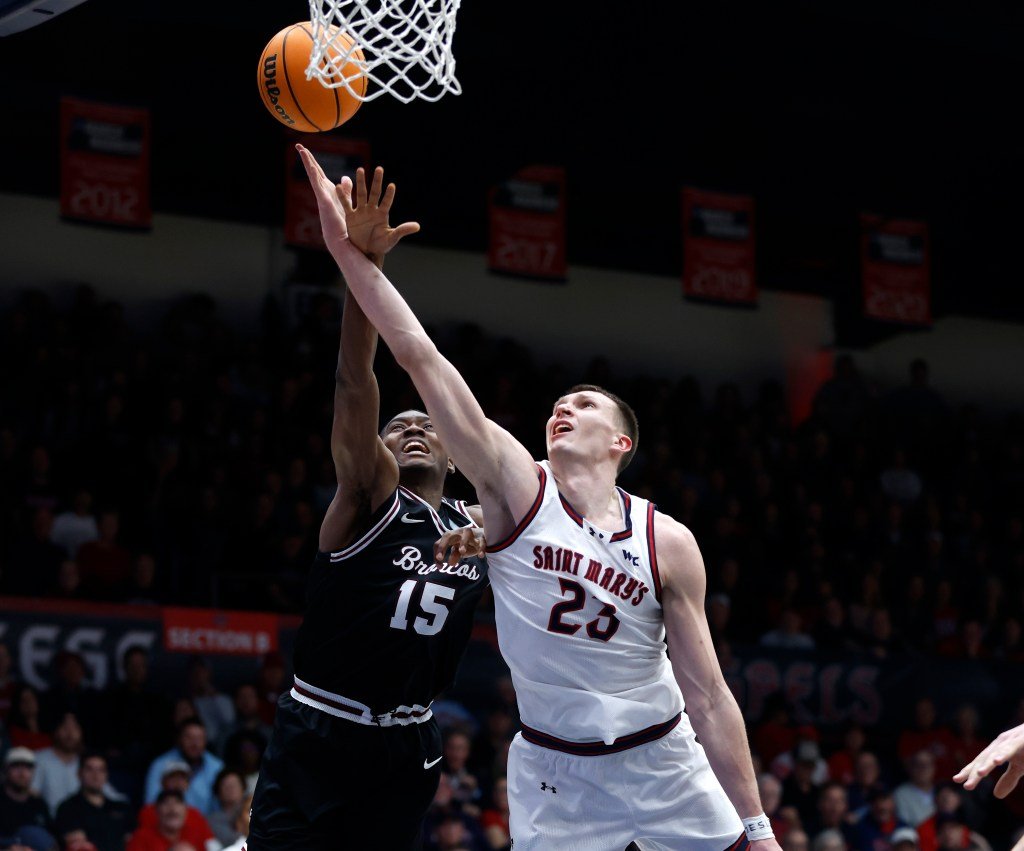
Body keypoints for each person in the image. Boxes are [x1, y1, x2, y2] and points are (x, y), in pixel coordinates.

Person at [296, 146, 781, 849]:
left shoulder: (668, 540)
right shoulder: (515, 485)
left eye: (584, 405)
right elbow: (420, 354)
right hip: (555, 772)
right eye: (557, 403)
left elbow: (708, 694)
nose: (563, 408)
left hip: (662, 756)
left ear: (621, 442)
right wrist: (349, 255)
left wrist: (758, 825)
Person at [245, 158, 489, 851]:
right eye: (396, 427)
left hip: (408, 745)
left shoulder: (485, 522)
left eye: (426, 425)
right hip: (320, 731)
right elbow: (355, 384)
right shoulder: (369, 500)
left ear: (454, 454)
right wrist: (363, 268)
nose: (410, 428)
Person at [54, 752, 133, 851]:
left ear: (107, 775)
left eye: (101, 770)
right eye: (90, 769)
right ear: (79, 773)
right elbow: (76, 846)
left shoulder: (121, 808)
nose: (96, 775)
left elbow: (132, 842)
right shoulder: (68, 809)